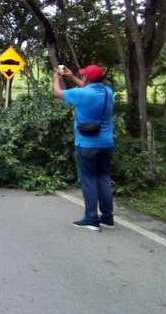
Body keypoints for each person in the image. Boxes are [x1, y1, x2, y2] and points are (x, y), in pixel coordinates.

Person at [52, 64, 114, 231]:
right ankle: (107, 217)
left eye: (84, 75)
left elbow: (57, 93)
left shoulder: (82, 94)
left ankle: (91, 219)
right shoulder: (108, 92)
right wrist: (72, 78)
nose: (83, 77)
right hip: (106, 143)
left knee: (89, 180)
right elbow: (87, 88)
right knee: (104, 178)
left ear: (88, 78)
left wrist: (55, 79)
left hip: (87, 145)